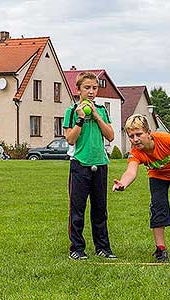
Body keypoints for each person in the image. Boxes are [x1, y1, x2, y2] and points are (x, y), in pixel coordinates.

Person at [112, 114, 170, 262]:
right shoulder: (135, 152)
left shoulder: (167, 140)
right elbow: (131, 171)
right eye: (131, 136)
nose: (135, 139)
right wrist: (123, 183)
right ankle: (161, 249)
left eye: (139, 134)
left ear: (148, 132)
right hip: (157, 177)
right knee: (158, 208)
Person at [63, 72, 116, 260]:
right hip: (80, 165)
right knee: (77, 210)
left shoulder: (101, 109)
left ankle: (103, 248)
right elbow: (70, 139)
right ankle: (76, 249)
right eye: (87, 88)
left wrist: (95, 115)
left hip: (100, 164)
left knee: (100, 209)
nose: (91, 91)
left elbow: (110, 136)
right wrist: (81, 118)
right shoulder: (71, 111)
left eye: (94, 88)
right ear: (78, 90)